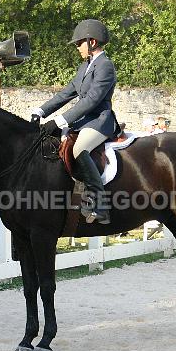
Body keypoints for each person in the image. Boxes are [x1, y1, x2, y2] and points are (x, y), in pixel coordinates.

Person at [29, 19, 119, 224]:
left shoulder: (105, 66)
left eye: (80, 43)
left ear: (92, 42)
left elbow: (92, 100)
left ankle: (101, 205)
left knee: (79, 149)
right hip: (83, 121)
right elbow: (66, 93)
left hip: (99, 121)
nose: (77, 47)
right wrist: (41, 111)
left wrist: (60, 120)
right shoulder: (85, 66)